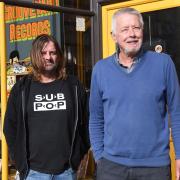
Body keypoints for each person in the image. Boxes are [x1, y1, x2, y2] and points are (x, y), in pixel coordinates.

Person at [89, 7, 180, 180]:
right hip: (111, 168)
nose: (132, 34)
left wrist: (179, 156)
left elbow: (177, 113)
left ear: (142, 31)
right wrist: (100, 158)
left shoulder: (164, 64)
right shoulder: (100, 69)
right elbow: (96, 117)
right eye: (125, 29)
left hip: (155, 168)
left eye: (136, 28)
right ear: (114, 36)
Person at [4, 34, 89, 180]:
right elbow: (9, 126)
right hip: (33, 173)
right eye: (43, 53)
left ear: (59, 55)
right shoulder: (22, 88)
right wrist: (19, 162)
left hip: (67, 171)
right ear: (35, 55)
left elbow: (87, 123)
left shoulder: (73, 85)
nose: (48, 57)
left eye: (53, 53)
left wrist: (79, 157)